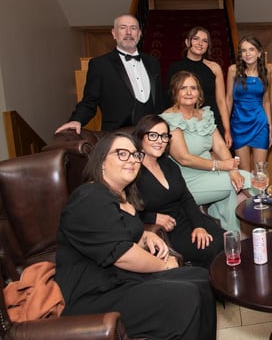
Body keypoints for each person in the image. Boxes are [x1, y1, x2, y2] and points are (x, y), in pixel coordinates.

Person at [55, 132, 216, 339]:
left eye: (135, 155)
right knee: (185, 296)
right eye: (122, 154)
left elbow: (116, 232)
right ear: (101, 161)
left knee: (202, 278)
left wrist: (145, 235)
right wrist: (164, 265)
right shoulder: (90, 196)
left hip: (120, 280)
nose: (132, 160)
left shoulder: (119, 196)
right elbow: (122, 254)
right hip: (95, 295)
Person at [161, 70, 250, 232]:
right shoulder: (169, 119)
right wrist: (222, 166)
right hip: (187, 181)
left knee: (239, 182)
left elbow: (220, 147)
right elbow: (184, 158)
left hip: (211, 174)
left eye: (193, 88)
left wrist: (233, 170)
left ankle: (231, 235)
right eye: (183, 88)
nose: (189, 92)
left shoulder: (205, 115)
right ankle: (269, 224)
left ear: (199, 93)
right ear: (175, 92)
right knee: (250, 180)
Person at [133, 114, 225, 268]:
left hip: (187, 219)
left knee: (226, 240)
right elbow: (124, 210)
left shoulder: (168, 164)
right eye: (153, 135)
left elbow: (186, 198)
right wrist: (152, 217)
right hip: (167, 231)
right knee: (210, 249)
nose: (159, 141)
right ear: (141, 137)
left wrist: (198, 226)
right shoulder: (133, 170)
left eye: (164, 136)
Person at [55, 14, 164, 134]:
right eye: (123, 28)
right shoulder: (100, 64)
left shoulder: (152, 62)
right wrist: (76, 120)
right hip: (118, 135)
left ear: (139, 33)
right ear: (114, 33)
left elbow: (159, 99)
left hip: (152, 134)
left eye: (133, 28)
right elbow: (89, 101)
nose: (128, 32)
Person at [166, 26, 232, 147]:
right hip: (185, 123)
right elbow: (171, 99)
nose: (200, 43)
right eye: (196, 39)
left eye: (205, 41)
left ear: (208, 46)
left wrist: (227, 130)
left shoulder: (214, 68)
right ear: (187, 42)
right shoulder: (175, 68)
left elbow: (221, 101)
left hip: (212, 122)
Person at [226, 36, 272, 172]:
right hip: (238, 125)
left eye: (251, 49)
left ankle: (260, 194)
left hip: (260, 124)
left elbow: (266, 101)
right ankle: (251, 195)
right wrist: (226, 128)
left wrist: (270, 128)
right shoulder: (233, 70)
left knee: (260, 172)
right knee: (244, 173)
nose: (247, 53)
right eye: (243, 50)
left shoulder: (266, 71)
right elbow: (228, 99)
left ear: (259, 53)